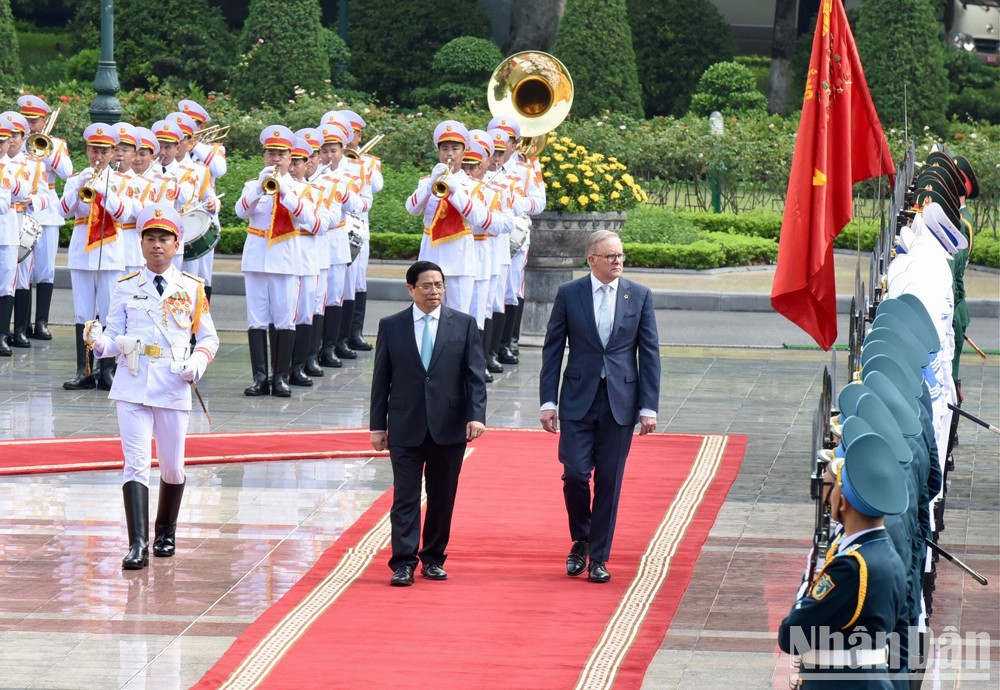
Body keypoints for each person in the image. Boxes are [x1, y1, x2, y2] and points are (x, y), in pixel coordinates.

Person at [84, 202, 219, 570]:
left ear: (177, 244)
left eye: (164, 239)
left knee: (173, 467)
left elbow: (208, 338)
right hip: (132, 383)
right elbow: (113, 340)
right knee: (136, 464)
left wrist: (197, 362)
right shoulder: (126, 286)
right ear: (140, 243)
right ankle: (138, 544)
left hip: (173, 383)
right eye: (150, 239)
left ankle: (165, 531)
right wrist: (98, 341)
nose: (156, 245)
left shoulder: (191, 288)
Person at [539, 230, 660, 583]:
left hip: (621, 403)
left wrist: (648, 406)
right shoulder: (569, 294)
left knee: (610, 480)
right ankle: (582, 538)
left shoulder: (638, 295)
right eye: (610, 257)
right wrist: (549, 401)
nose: (618, 261)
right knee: (575, 473)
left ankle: (599, 558)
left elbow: (649, 353)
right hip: (577, 400)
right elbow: (552, 349)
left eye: (621, 256)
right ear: (591, 259)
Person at [370, 260, 487, 586]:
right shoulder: (392, 326)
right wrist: (377, 426)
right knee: (404, 497)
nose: (434, 291)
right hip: (406, 424)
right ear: (411, 289)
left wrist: (476, 416)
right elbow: (382, 379)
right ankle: (403, 563)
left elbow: (475, 376)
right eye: (426, 285)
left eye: (438, 285)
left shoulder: (463, 324)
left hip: (448, 426)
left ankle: (433, 557)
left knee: (442, 496)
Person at [778, 433, 909, 688]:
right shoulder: (888, 556)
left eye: (833, 489)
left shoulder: (851, 567)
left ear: (844, 501)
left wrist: (808, 583)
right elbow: (901, 641)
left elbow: (792, 635)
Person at [235, 125, 318, 397]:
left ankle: (280, 377)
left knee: (285, 319)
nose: (276, 159)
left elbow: (308, 219)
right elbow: (240, 211)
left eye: (281, 155)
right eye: (271, 153)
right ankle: (260, 377)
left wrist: (284, 191)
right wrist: (260, 188)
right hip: (257, 258)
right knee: (256, 319)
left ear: (289, 157)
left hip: (285, 259)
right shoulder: (253, 185)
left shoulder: (299, 188)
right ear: (264, 156)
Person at [59, 123, 136, 390]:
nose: (98, 156)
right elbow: (63, 211)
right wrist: (79, 185)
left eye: (104, 151)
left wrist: (105, 191)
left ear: (113, 151)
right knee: (83, 314)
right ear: (87, 150)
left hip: (111, 252)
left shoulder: (122, 181)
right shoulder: (76, 178)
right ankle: (84, 370)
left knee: (110, 312)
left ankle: (107, 371)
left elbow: (125, 214)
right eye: (94, 150)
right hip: (82, 253)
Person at [18, 95, 73, 342]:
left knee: (45, 269)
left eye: (35, 120)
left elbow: (67, 172)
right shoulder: (15, 143)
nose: (31, 125)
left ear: (44, 120)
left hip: (47, 209)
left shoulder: (57, 144)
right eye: (27, 119)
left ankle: (41, 323)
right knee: (22, 269)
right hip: (22, 207)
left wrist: (46, 149)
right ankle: (21, 324)